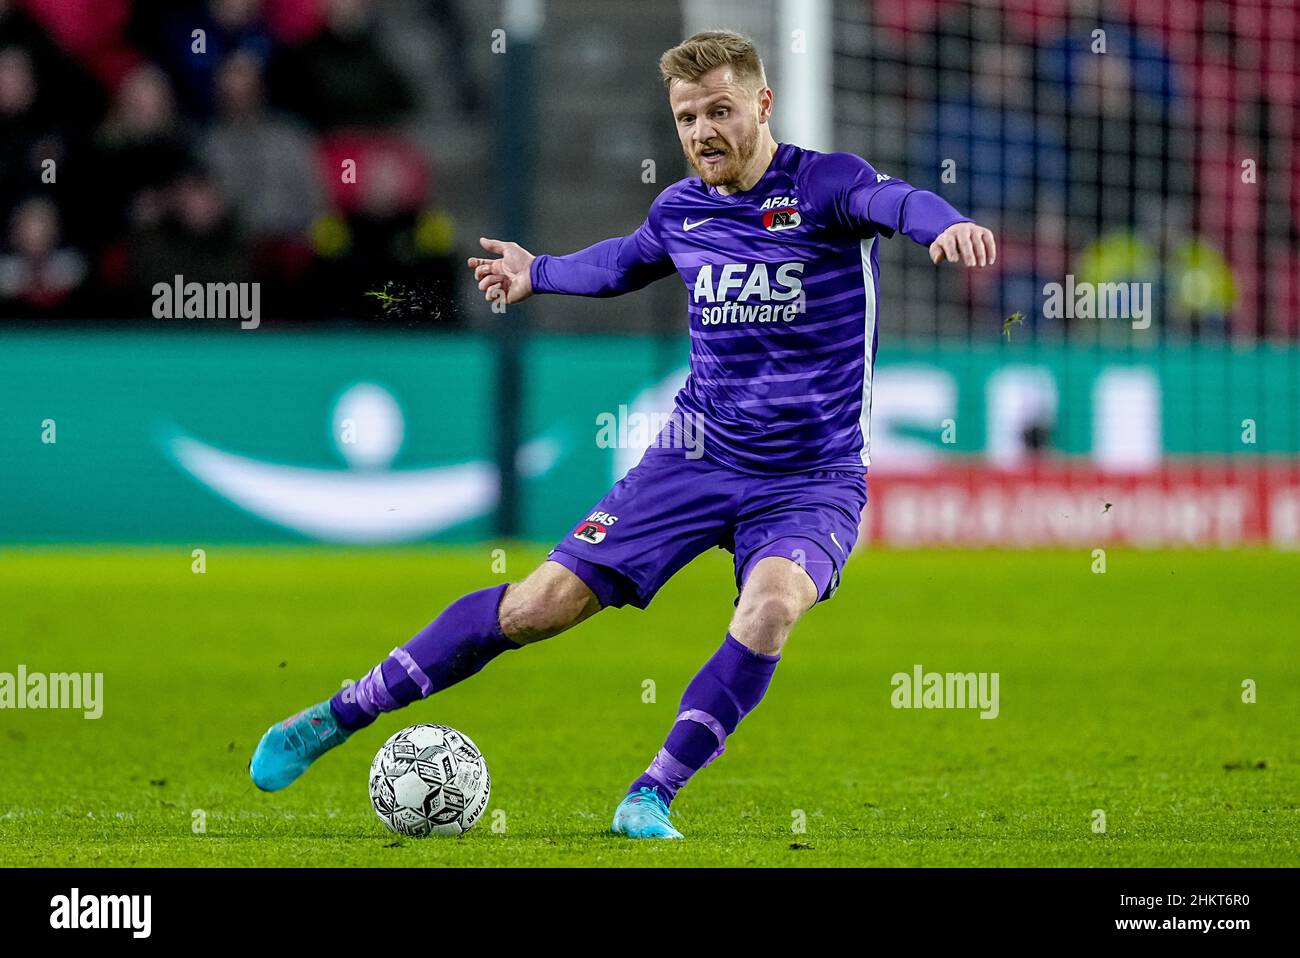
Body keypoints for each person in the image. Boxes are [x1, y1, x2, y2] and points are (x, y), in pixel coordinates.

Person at [248, 31, 996, 839]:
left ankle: (651, 794)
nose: (703, 131)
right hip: (697, 457)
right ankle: (337, 715)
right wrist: (539, 272)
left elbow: (899, 203)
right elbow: (623, 263)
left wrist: (942, 226)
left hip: (812, 477)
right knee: (541, 606)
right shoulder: (681, 210)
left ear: (762, 104)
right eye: (686, 118)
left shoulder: (825, 184)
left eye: (719, 111)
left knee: (772, 607)